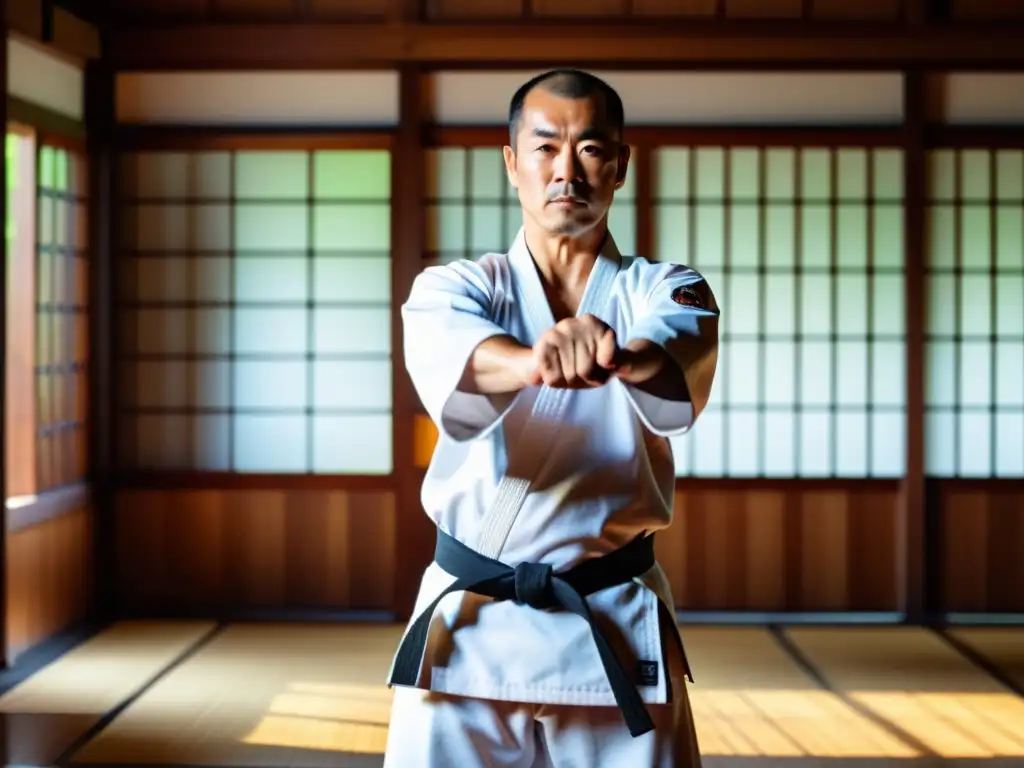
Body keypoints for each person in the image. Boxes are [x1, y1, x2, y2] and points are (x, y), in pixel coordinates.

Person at [384, 68, 719, 767]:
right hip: (472, 621)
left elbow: (672, 363)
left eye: (592, 148)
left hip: (611, 618)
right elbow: (464, 364)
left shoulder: (665, 288)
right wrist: (537, 357)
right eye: (544, 147)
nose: (567, 169)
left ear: (620, 165)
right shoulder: (455, 287)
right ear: (512, 163)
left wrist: (615, 351)